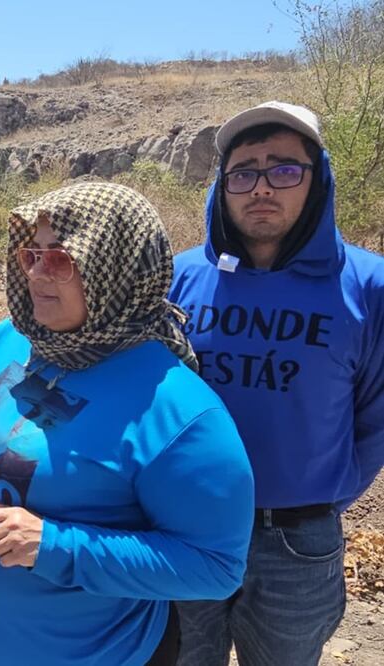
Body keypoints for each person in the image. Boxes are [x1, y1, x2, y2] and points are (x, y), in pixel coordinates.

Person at [0, 182, 255, 666]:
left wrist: (54, 546)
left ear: (119, 270)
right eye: (32, 255)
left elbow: (214, 567)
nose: (39, 273)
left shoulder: (181, 412)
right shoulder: (10, 340)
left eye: (61, 258)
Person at [171, 102, 384, 666]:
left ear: (318, 179)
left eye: (284, 169)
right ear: (223, 184)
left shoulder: (369, 285)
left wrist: (319, 500)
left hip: (296, 543)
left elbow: (376, 418)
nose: (261, 187)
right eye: (244, 172)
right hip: (182, 526)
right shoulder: (178, 277)